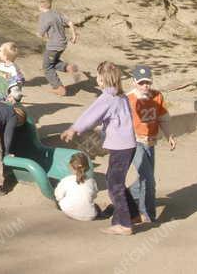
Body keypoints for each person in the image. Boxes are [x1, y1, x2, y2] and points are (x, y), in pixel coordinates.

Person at [61, 62, 139, 235]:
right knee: (115, 180)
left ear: (101, 79)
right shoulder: (121, 96)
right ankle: (133, 215)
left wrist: (74, 129)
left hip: (121, 147)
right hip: (127, 146)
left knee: (114, 185)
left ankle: (124, 224)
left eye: (98, 76)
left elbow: (91, 115)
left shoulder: (108, 98)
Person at [127, 64, 176, 224]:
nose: (144, 86)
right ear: (134, 82)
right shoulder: (129, 99)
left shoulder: (157, 96)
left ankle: (125, 197)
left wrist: (169, 135)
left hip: (151, 142)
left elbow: (163, 118)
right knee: (148, 179)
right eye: (141, 83)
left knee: (145, 177)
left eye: (147, 82)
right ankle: (146, 214)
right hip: (135, 142)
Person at [37, 0, 80, 96]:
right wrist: (74, 36)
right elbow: (70, 22)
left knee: (47, 67)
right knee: (52, 61)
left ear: (40, 6)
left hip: (53, 46)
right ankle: (68, 67)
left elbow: (40, 33)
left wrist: (40, 35)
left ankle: (59, 88)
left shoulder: (44, 17)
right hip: (62, 44)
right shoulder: (56, 13)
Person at [54, 152, 98, 221]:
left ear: (70, 166)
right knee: (94, 206)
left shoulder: (66, 180)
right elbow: (94, 196)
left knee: (59, 200)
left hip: (69, 212)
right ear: (87, 167)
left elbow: (58, 196)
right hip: (90, 216)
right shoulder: (92, 181)